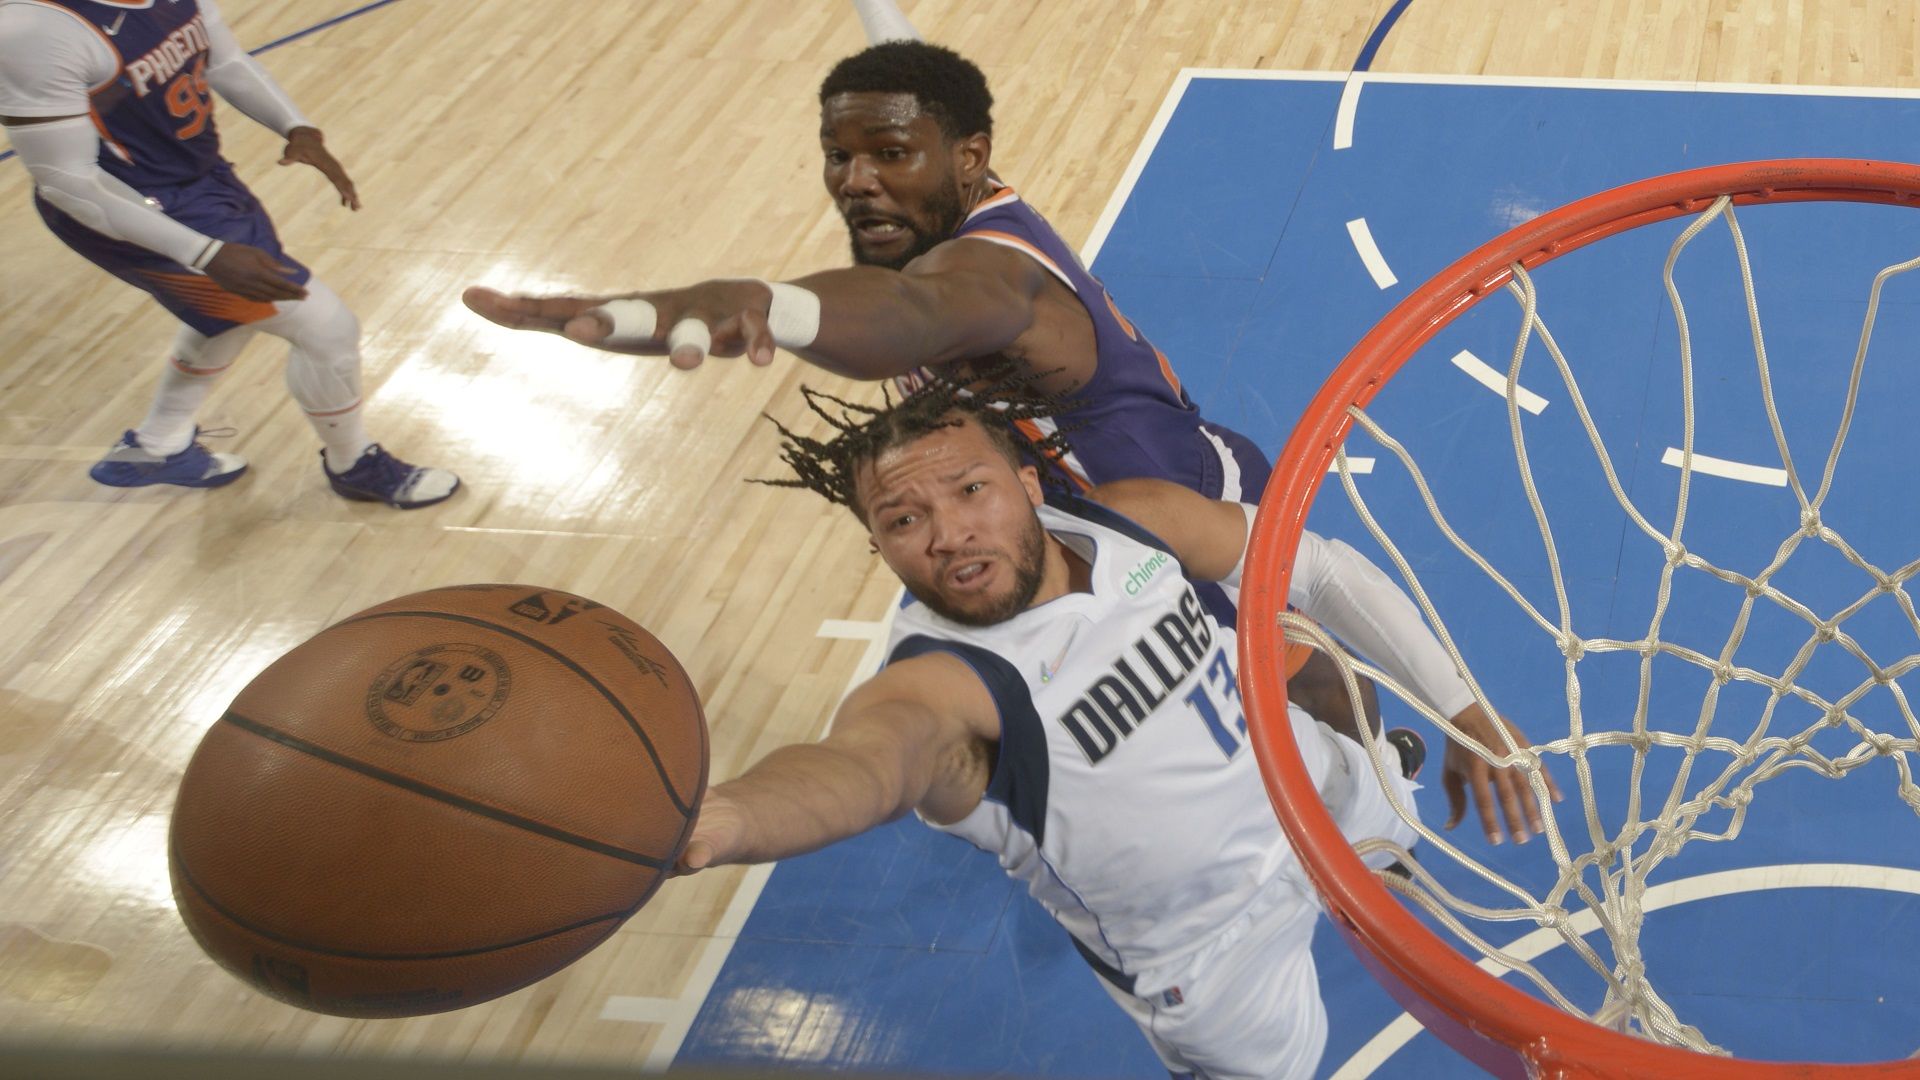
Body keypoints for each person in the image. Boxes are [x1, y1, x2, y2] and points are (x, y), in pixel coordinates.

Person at [462, 14, 1405, 762]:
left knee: (1287, 674)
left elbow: (906, 322)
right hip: (1066, 522)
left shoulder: (994, 276)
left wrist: (764, 301)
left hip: (1171, 509)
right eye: (840, 156)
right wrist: (638, 318)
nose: (857, 182)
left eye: (891, 155)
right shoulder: (947, 200)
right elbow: (911, 187)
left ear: (968, 158)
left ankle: (1377, 782)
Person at [678, 378, 1559, 1079]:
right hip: (1213, 957)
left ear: (1028, 483)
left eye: (971, 490)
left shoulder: (1132, 518)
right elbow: (858, 769)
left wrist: (1462, 705)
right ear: (880, 548)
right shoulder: (937, 690)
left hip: (1313, 788)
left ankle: (1382, 819)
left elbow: (1317, 572)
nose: (947, 534)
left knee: (1380, 798)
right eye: (904, 521)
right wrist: (730, 817)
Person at [0, 0, 457, 508]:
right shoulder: (32, 30)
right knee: (327, 328)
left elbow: (225, 61)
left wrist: (296, 127)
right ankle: (355, 465)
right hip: (127, 213)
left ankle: (157, 445)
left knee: (235, 311)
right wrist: (206, 253)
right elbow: (68, 185)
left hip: (202, 184)